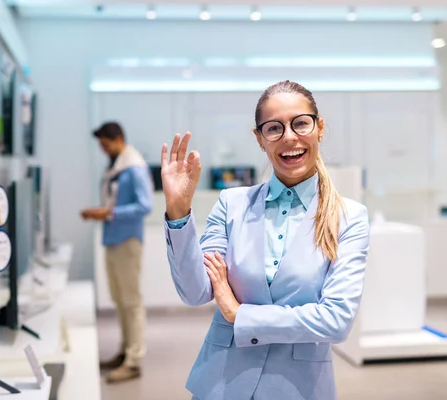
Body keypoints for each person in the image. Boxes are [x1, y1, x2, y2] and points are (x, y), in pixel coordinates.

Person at [160, 80, 370, 400]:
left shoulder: (349, 217)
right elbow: (196, 291)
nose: (289, 137)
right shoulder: (232, 204)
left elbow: (336, 320)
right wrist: (178, 211)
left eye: (300, 123)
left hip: (298, 388)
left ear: (319, 127)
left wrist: (239, 314)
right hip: (221, 384)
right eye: (274, 128)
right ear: (259, 139)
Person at [81, 122, 153, 383]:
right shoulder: (116, 166)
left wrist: (108, 213)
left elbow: (146, 206)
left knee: (131, 301)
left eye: (105, 144)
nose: (103, 150)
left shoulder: (134, 167)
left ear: (119, 139)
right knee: (120, 299)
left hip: (128, 240)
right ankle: (125, 351)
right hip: (113, 238)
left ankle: (134, 361)